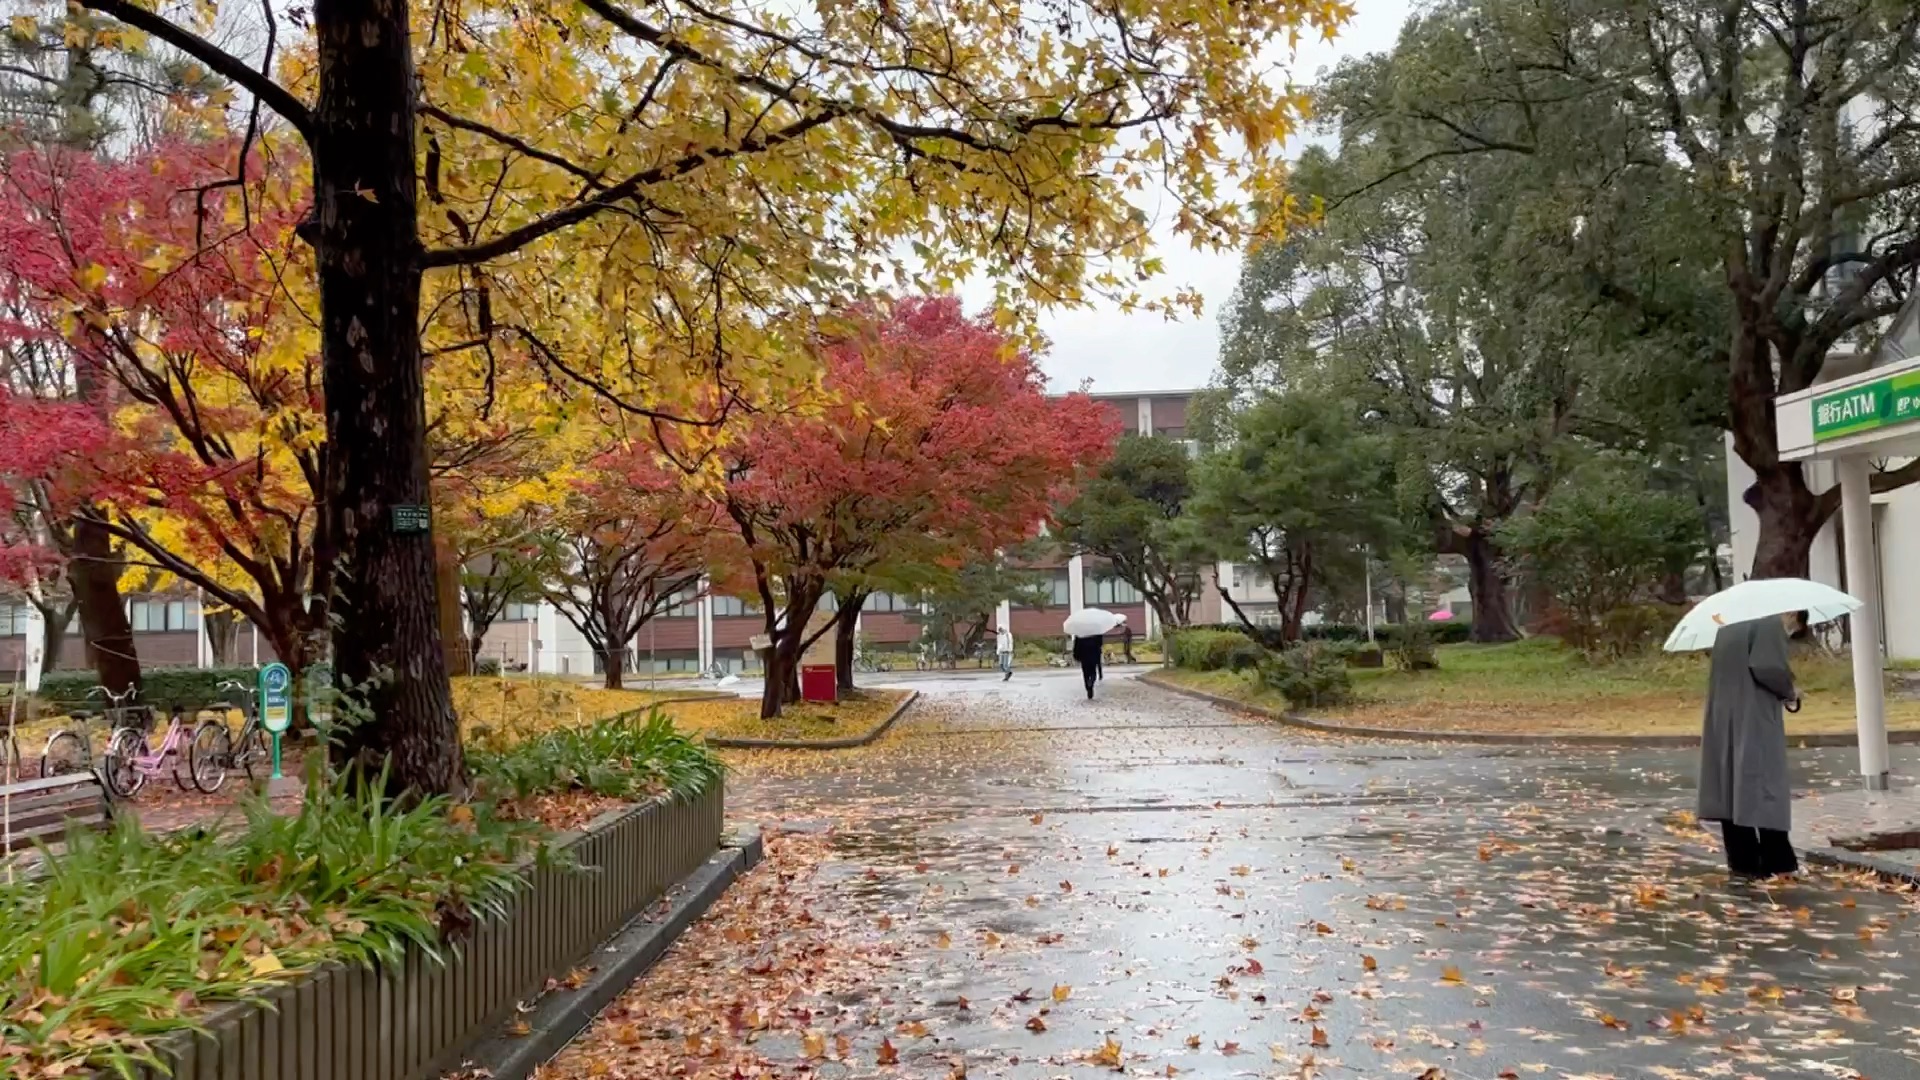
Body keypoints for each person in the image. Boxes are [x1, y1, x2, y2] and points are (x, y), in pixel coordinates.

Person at [1698, 613, 1801, 879]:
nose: (1789, 633)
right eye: (1793, 627)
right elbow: (1767, 666)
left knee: (1729, 784)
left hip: (1724, 711)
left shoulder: (1729, 625)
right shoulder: (1768, 624)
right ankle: (1778, 859)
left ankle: (1743, 860)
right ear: (1790, 614)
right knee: (1766, 782)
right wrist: (1790, 690)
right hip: (1753, 713)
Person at [1071, 633, 1104, 699]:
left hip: (1084, 656)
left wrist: (1076, 655)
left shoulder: (1080, 632)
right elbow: (1100, 643)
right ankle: (1091, 683)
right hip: (1093, 655)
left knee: (1085, 673)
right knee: (1093, 672)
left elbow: (1076, 645)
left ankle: (1088, 686)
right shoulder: (1096, 631)